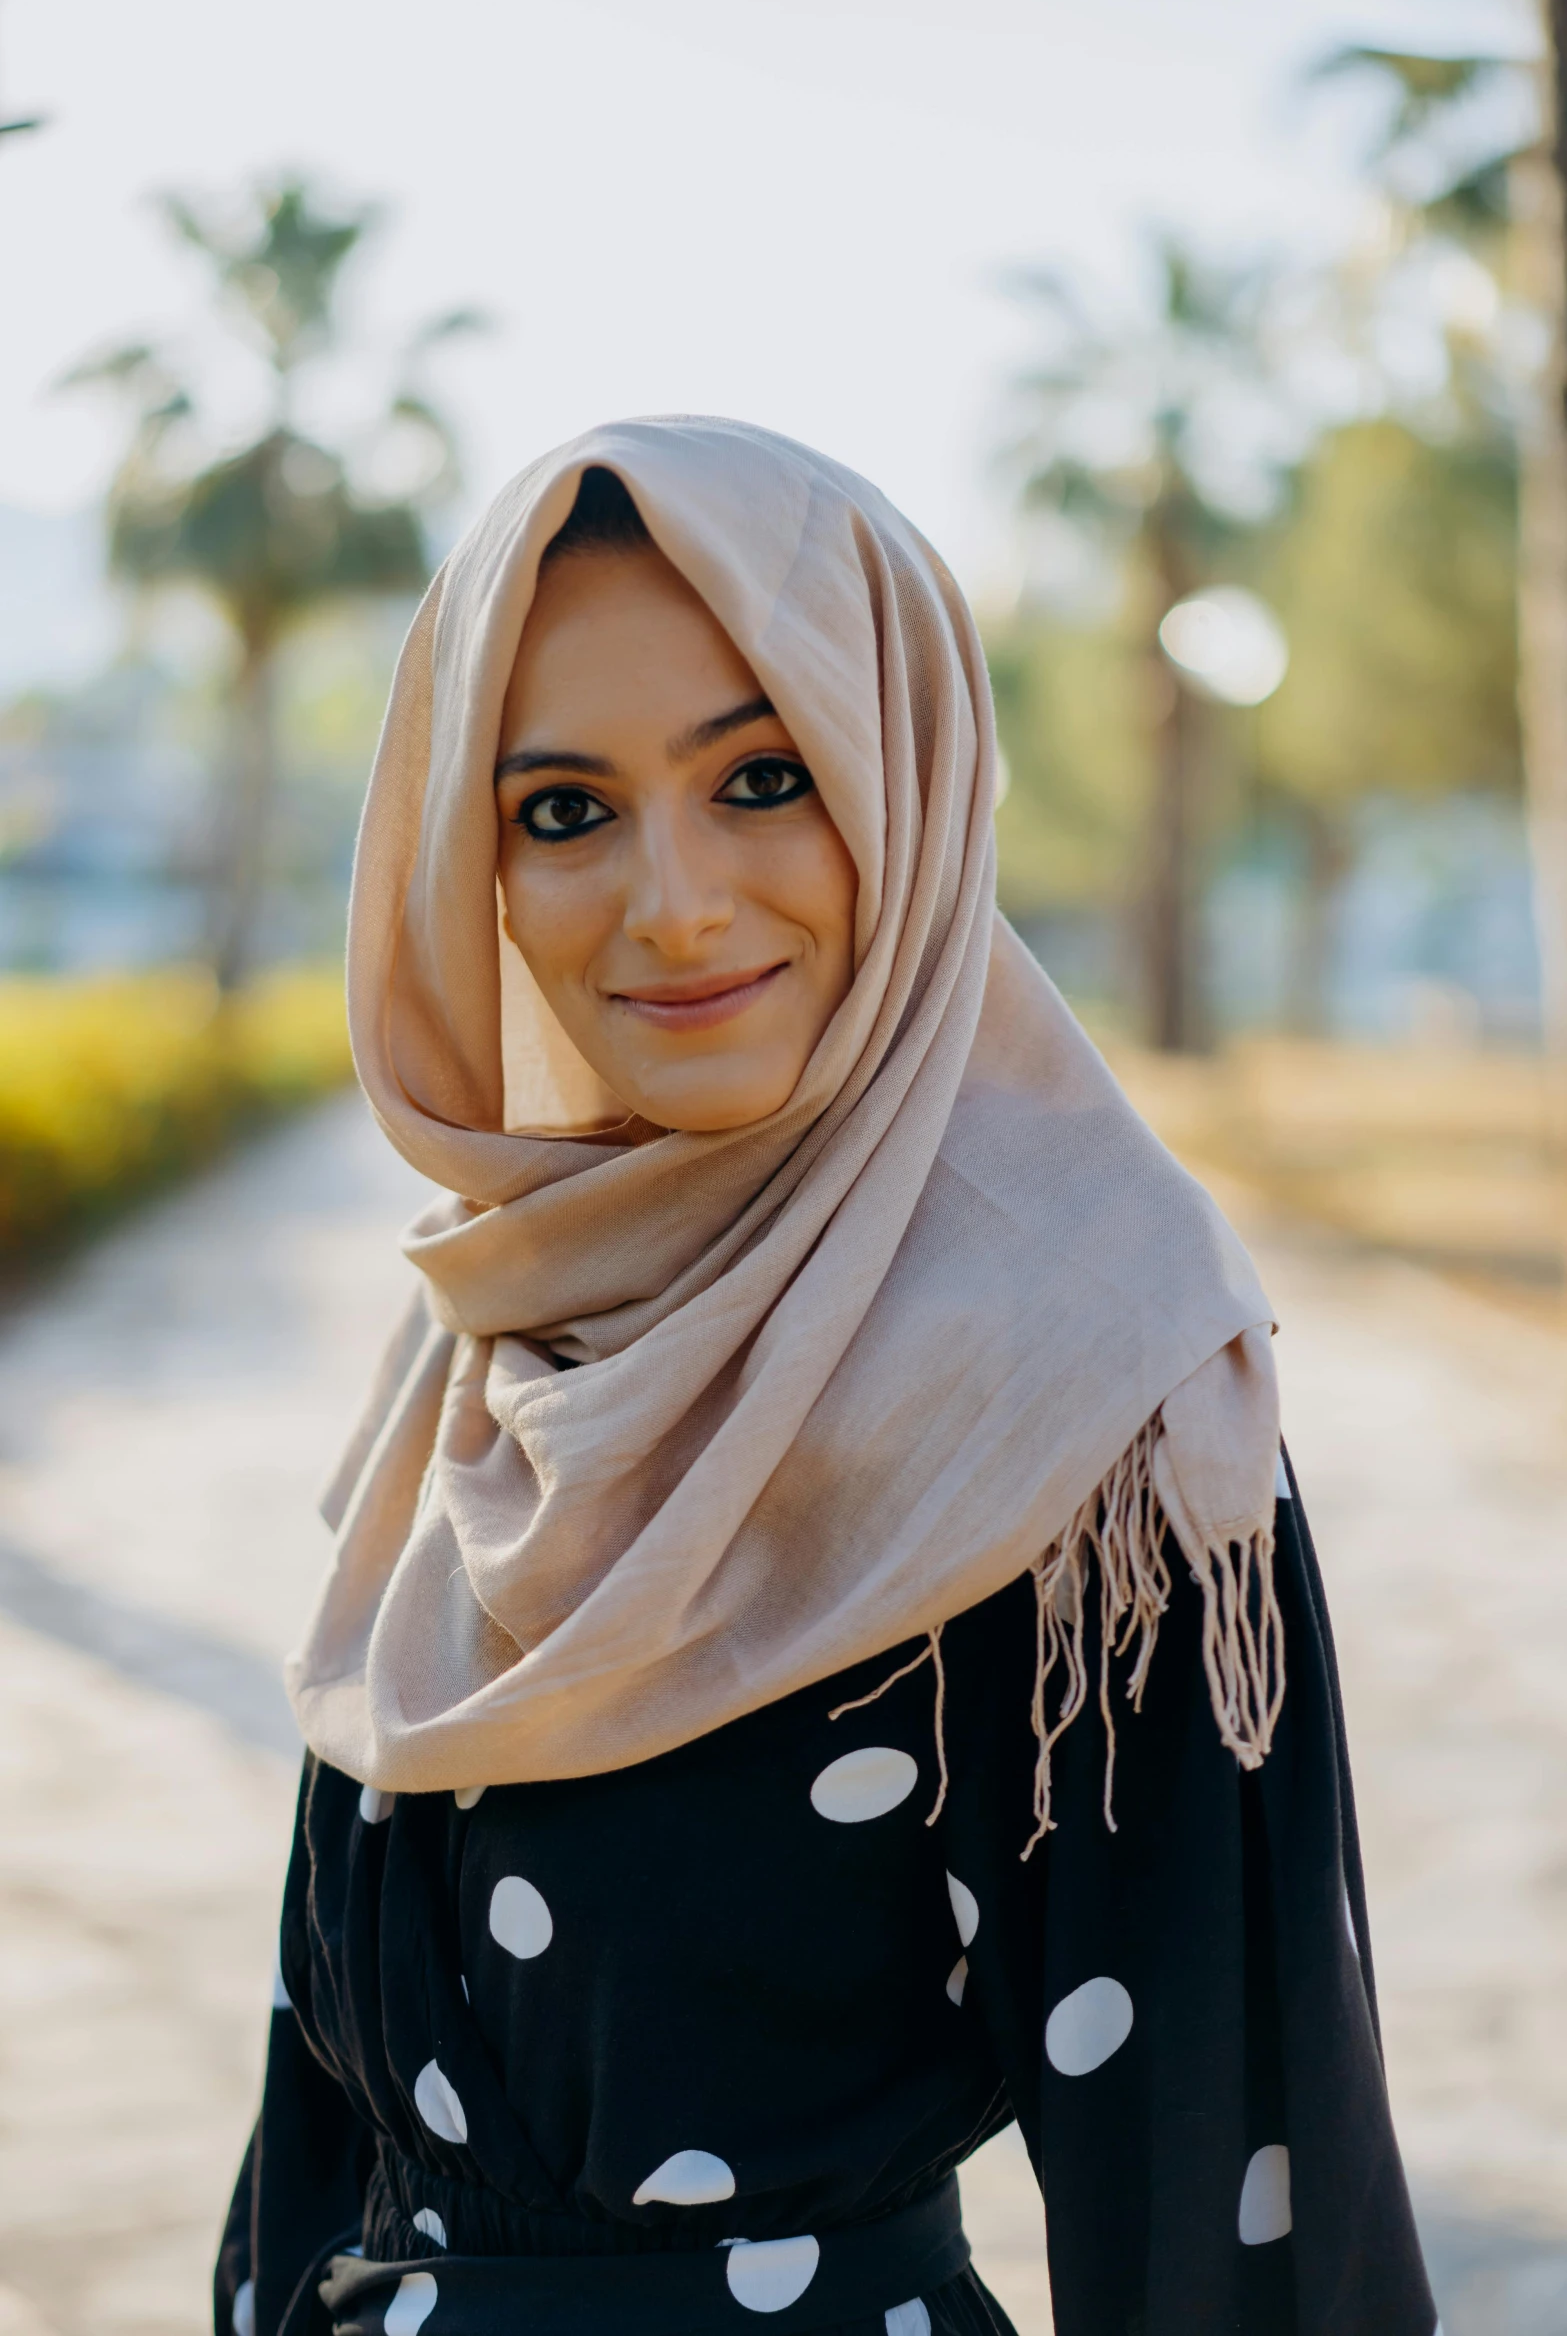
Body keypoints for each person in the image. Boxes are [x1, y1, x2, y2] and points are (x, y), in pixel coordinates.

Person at [216, 419, 1437, 2336]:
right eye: (562, 810)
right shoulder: (489, 1332)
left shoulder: (1088, 1395)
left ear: (908, 787)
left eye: (763, 777)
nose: (675, 902)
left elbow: (1235, 2214)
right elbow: (320, 2124)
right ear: (473, 866)